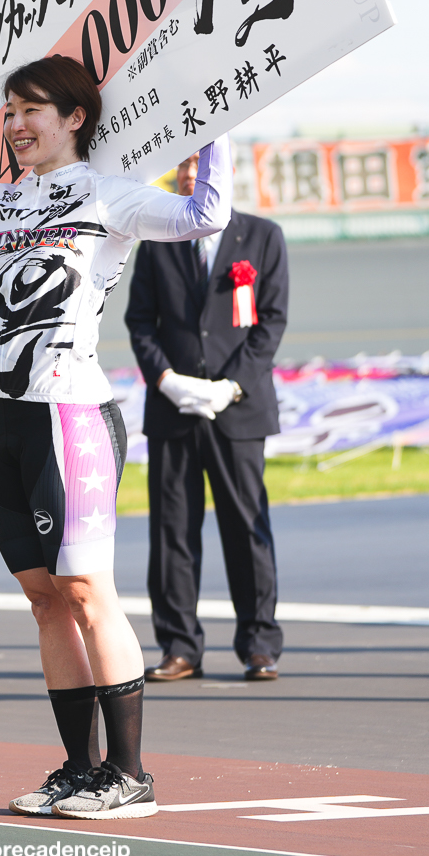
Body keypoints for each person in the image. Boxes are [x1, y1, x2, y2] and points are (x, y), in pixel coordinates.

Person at [0, 54, 230, 822]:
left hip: (71, 414)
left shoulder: (107, 197)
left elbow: (203, 214)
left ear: (74, 117)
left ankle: (130, 774)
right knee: (44, 600)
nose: (14, 124)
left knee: (86, 591)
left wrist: (215, 128)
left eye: (31, 109)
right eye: (8, 111)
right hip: (3, 414)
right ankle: (79, 768)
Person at [126, 208, 289, 683]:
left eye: (203, 162)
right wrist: (166, 380)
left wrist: (231, 385)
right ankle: (179, 645)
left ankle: (259, 643)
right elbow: (140, 321)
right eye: (185, 164)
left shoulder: (262, 235)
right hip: (174, 409)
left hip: (237, 408)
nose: (192, 172)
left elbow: (271, 322)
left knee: (247, 527)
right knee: (173, 531)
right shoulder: (160, 237)